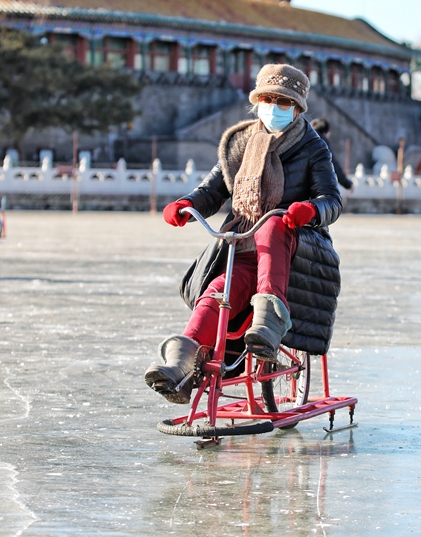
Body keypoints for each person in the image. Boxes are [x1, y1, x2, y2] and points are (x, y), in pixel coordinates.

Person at [144, 64, 343, 404]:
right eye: (267, 99)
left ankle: (270, 322)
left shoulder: (313, 147)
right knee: (217, 293)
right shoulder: (239, 144)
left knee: (271, 223)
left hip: (296, 248)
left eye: (283, 102)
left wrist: (310, 210)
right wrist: (185, 205)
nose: (274, 108)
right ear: (256, 101)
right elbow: (213, 190)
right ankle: (179, 366)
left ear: (297, 108)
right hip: (245, 245)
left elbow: (332, 201)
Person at [310, 117, 354, 191]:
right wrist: (348, 184)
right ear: (325, 133)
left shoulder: (304, 140)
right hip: (316, 189)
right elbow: (334, 166)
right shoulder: (322, 143)